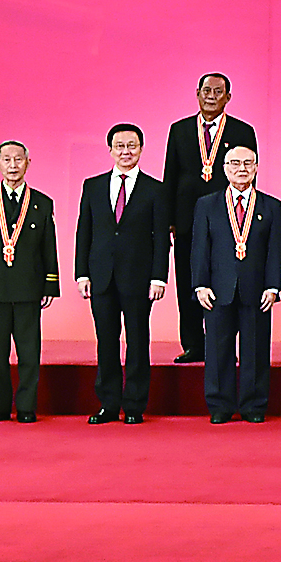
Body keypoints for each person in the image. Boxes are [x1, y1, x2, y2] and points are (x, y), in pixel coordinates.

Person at [0, 140, 59, 423]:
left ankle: (26, 407)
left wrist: (50, 284)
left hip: (29, 286)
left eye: (18, 159)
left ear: (28, 163)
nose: (13, 165)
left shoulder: (42, 203)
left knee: (29, 351)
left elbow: (48, 247)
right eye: (7, 160)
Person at [77, 123, 169, 424]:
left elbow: (161, 238)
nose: (126, 151)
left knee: (138, 341)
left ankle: (134, 405)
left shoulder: (155, 189)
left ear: (141, 149)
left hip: (139, 279)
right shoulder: (93, 186)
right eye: (120, 146)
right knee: (106, 341)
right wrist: (82, 274)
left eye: (132, 145)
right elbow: (84, 232)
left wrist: (159, 277)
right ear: (110, 150)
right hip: (101, 277)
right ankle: (108, 404)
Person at [164, 72, 256, 363]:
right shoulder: (179, 130)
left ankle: (223, 345)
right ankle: (193, 344)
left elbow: (249, 177)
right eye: (206, 90)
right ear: (197, 93)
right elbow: (170, 176)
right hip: (186, 220)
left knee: (224, 281)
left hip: (227, 220)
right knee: (188, 281)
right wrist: (169, 218)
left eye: (218, 91)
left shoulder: (242, 131)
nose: (211, 96)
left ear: (228, 97)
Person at [190, 146, 281, 423]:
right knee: (217, 349)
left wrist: (273, 287)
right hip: (217, 289)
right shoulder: (207, 204)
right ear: (224, 168)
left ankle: (254, 406)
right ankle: (220, 406)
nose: (241, 168)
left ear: (256, 167)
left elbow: (274, 251)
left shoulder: (271, 206)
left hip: (257, 290)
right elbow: (199, 248)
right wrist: (200, 285)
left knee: (255, 349)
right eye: (234, 163)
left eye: (247, 163)